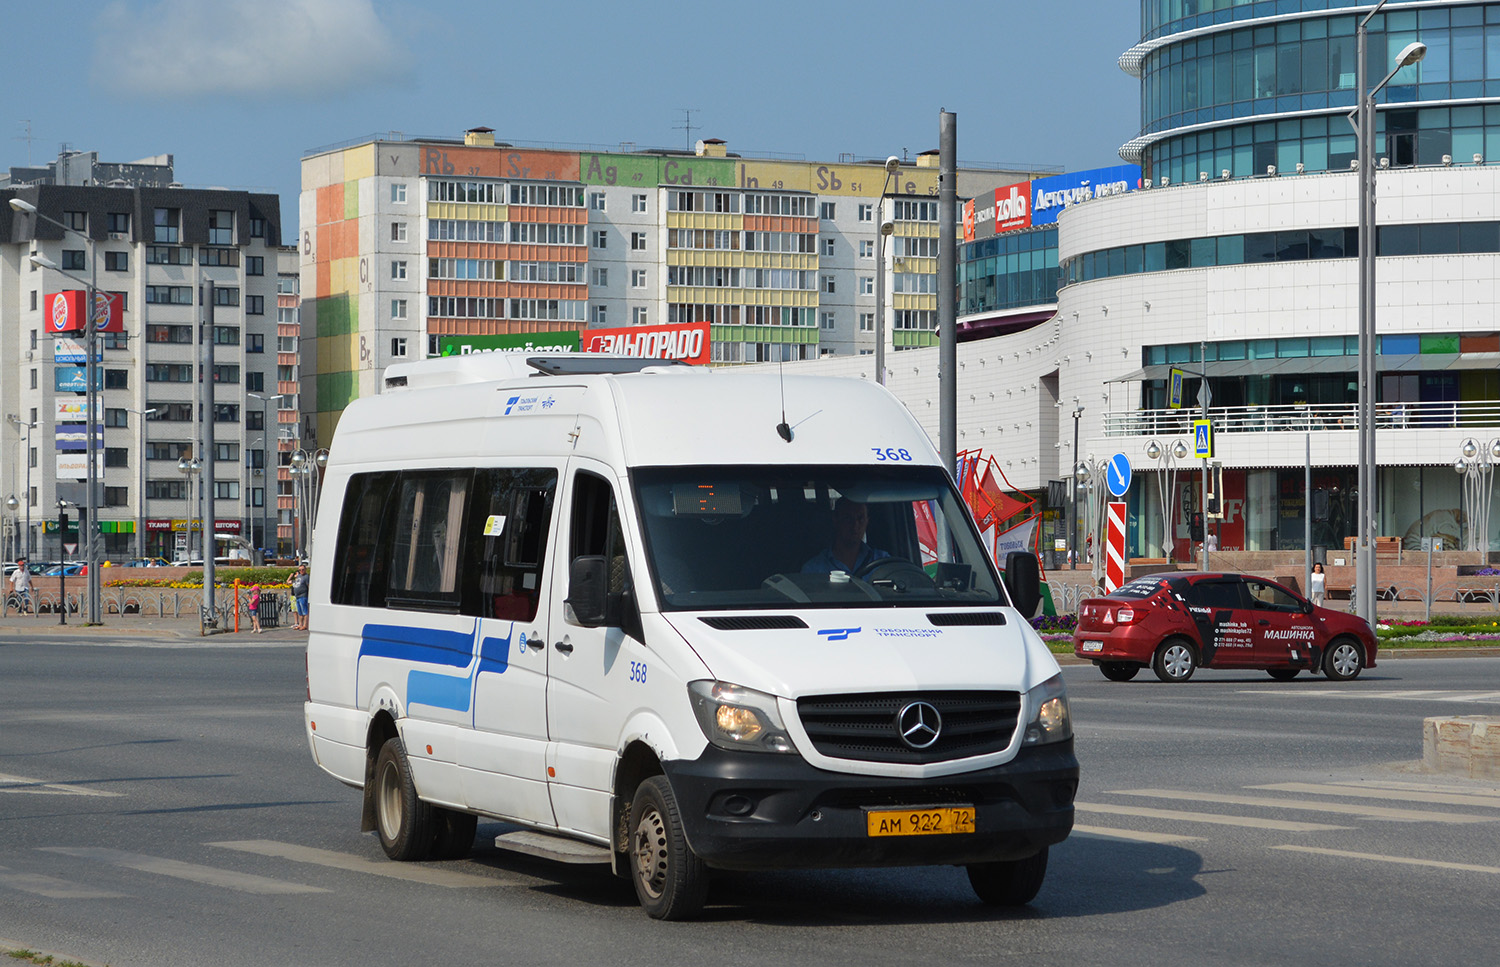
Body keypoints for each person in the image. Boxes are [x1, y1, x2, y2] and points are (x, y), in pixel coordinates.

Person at [802, 498, 890, 575]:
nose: (855, 525)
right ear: (835, 520)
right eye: (848, 518)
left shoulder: (883, 562)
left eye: (860, 518)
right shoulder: (814, 570)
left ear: (867, 521)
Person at [290, 565, 310, 631]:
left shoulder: (306, 577)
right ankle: (300, 624)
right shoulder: (299, 576)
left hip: (303, 596)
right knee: (300, 612)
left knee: (305, 611)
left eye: (303, 569)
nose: (301, 571)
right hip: (297, 596)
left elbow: (308, 585)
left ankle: (305, 625)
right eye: (300, 570)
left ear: (305, 569)